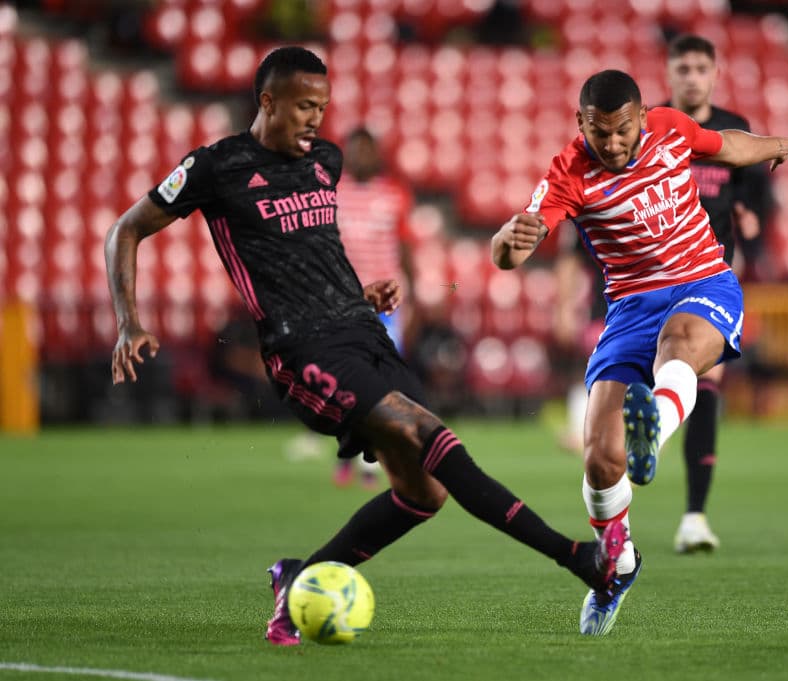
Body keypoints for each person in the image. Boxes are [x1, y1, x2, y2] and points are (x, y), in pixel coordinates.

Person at [105, 46, 625, 646]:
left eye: (322, 107)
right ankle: (577, 557)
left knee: (424, 492)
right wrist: (129, 322)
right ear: (268, 101)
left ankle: (300, 577)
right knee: (430, 435)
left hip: (365, 333)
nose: (316, 119)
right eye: (304, 106)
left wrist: (357, 294)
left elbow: (314, 249)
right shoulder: (216, 167)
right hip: (303, 351)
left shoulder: (325, 161)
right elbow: (125, 230)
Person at [491, 69, 788, 635]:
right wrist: (506, 244)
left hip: (703, 282)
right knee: (599, 458)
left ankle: (653, 432)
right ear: (580, 122)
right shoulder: (568, 171)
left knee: (678, 346)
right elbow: (515, 248)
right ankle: (618, 566)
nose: (612, 144)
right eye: (599, 133)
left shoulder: (670, 128)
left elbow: (728, 145)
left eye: (622, 130)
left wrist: (778, 145)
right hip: (629, 309)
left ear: (642, 116)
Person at [663, 34, 774, 553]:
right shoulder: (649, 126)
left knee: (706, 384)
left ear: (714, 75)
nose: (691, 77)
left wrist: (752, 223)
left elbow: (756, 200)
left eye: (699, 68)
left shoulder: (735, 130)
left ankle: (694, 517)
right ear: (669, 73)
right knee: (643, 387)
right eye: (682, 68)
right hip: (652, 278)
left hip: (711, 278)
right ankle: (616, 509)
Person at [331, 126, 416, 488]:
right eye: (355, 150)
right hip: (345, 301)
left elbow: (406, 250)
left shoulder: (394, 193)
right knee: (346, 380)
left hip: (387, 304)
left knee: (381, 380)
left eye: (366, 150)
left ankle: (374, 461)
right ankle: (350, 450)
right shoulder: (333, 195)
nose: (361, 157)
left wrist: (414, 297)